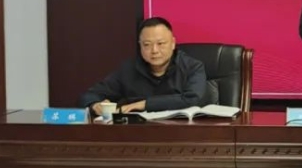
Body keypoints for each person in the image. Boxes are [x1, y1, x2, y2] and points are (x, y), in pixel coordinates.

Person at [78, 17, 207, 115]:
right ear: (140, 45)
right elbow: (90, 95)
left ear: (173, 43)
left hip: (181, 134)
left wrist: (143, 104)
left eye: (161, 43)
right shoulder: (128, 69)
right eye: (147, 45)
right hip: (139, 135)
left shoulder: (192, 67)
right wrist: (95, 105)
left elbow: (192, 99)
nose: (154, 50)